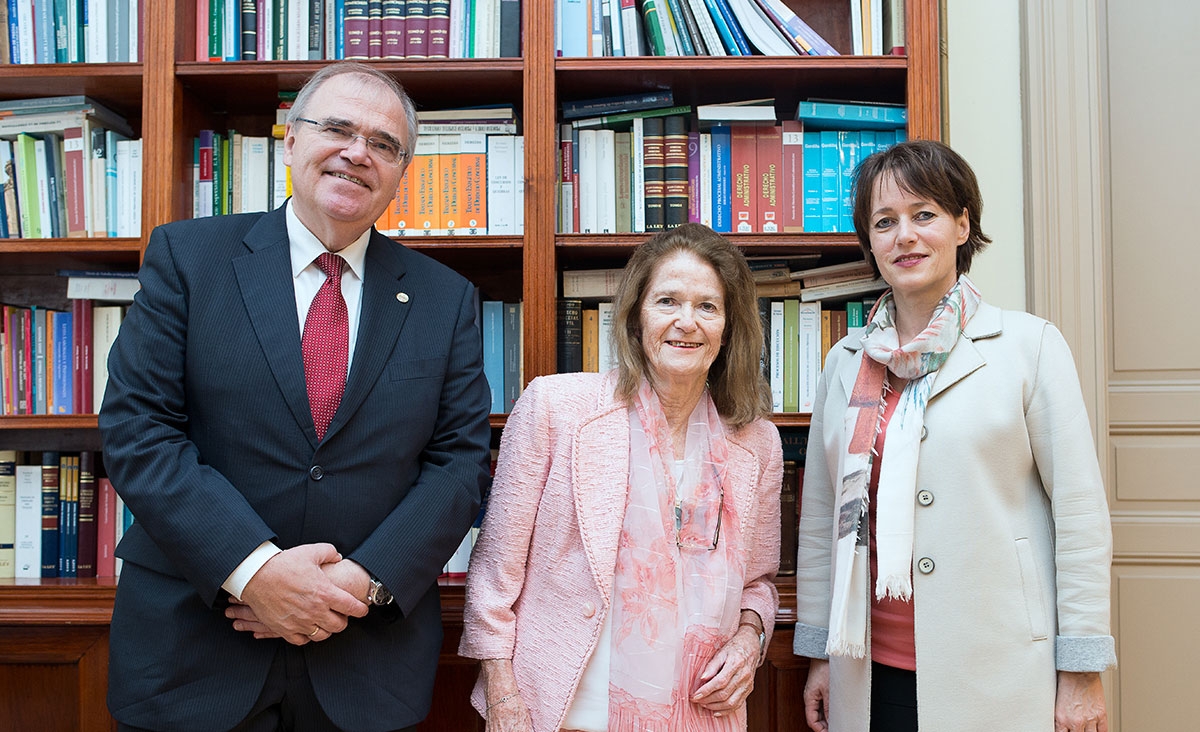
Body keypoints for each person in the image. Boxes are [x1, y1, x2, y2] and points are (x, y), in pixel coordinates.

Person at [98, 62, 493, 732]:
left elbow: (459, 465)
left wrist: (357, 584)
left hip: (365, 660)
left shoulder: (444, 298)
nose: (357, 152)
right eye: (336, 128)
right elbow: (140, 430)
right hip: (193, 651)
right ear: (289, 141)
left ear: (402, 171)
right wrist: (254, 571)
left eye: (384, 144)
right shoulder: (189, 258)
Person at [793, 139, 1115, 732]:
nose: (904, 236)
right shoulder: (845, 362)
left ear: (962, 224)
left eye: (924, 215)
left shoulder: (1029, 346)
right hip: (866, 674)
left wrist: (1082, 667)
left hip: (1000, 669)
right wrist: (819, 655)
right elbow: (819, 520)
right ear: (870, 244)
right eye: (884, 222)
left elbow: (1079, 514)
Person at [459, 224, 782, 732]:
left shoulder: (756, 443)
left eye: (707, 307)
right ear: (635, 317)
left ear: (729, 327)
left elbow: (759, 583)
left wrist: (750, 639)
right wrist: (502, 698)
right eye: (668, 301)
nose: (686, 322)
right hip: (561, 712)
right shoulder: (555, 408)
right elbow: (494, 575)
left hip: (699, 713)